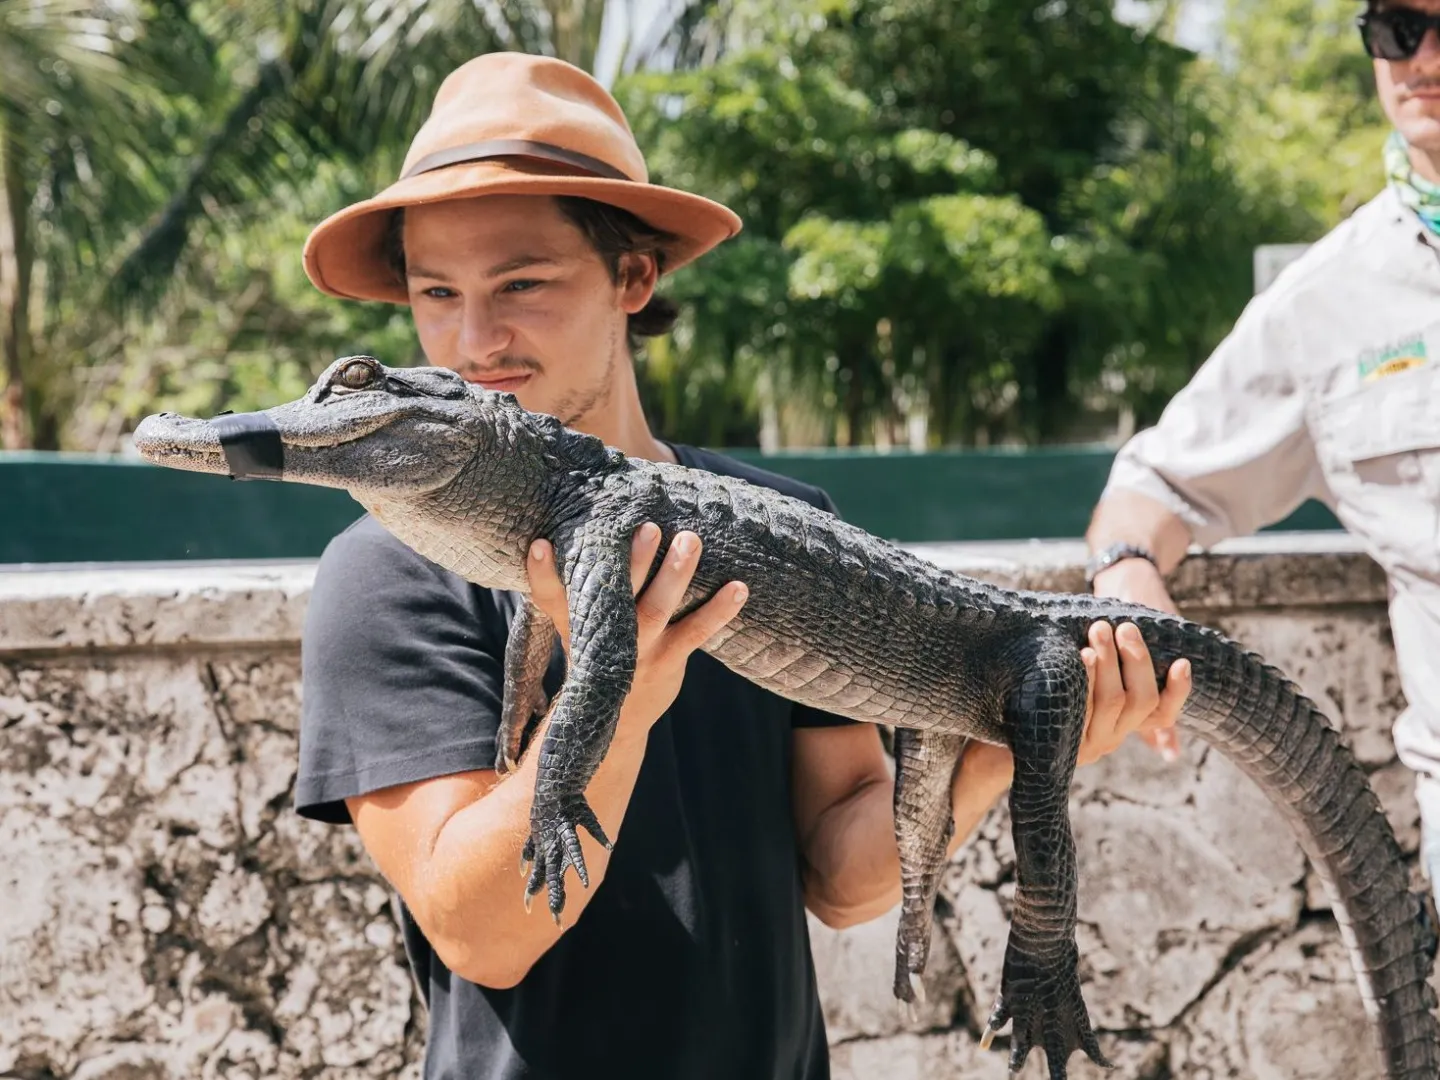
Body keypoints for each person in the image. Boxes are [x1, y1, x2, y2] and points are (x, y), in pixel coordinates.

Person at [292, 51, 1190, 1079]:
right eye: (436, 292)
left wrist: (1015, 743)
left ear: (635, 276)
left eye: (522, 283)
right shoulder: (388, 574)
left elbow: (844, 878)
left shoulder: (787, 526)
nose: (473, 338)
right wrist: (618, 691)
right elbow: (483, 933)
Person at [1086, 0, 1440, 899]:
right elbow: (1155, 484)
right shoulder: (1326, 302)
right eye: (1398, 27)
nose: (1422, 56)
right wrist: (1129, 579)